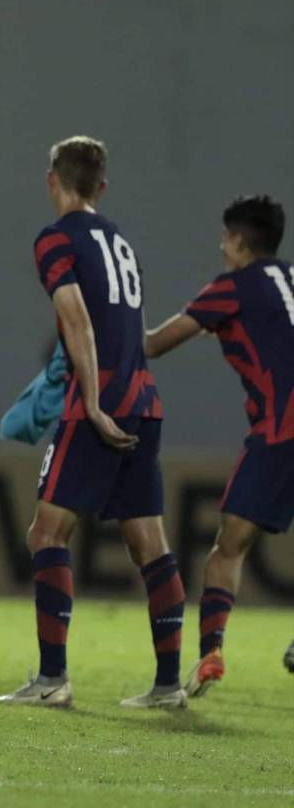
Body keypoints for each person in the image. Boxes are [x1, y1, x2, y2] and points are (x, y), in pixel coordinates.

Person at [0, 136, 187, 709]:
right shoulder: (120, 241)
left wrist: (94, 402)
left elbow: (75, 321)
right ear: (101, 187)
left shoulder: (56, 238)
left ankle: (52, 681)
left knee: (46, 533)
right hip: (145, 400)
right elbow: (136, 332)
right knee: (150, 542)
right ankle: (169, 685)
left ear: (53, 180)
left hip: (98, 404)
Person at [142, 194, 294, 696]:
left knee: (230, 545)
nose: (220, 246)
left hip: (281, 429)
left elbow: (155, 343)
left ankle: (210, 653)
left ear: (237, 240)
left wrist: (101, 326)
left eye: (224, 238)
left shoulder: (230, 289)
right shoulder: (288, 280)